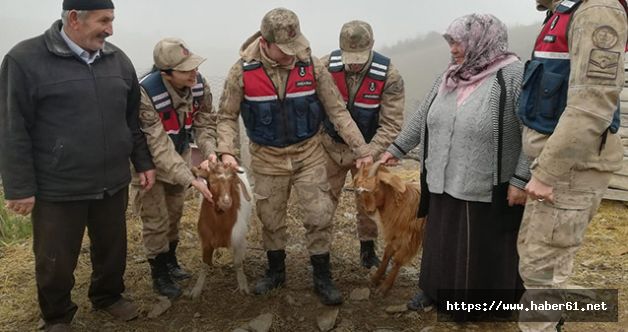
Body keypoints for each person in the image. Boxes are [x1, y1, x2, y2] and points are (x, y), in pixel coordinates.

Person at [0, 0, 156, 330]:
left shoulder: (118, 60)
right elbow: (13, 127)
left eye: (112, 20)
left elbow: (131, 120)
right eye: (104, 21)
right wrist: (19, 187)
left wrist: (143, 163)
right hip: (58, 187)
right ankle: (57, 316)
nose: (111, 29)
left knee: (112, 248)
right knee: (55, 259)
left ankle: (108, 296)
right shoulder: (25, 60)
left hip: (112, 181)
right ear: (74, 18)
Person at [215, 7, 372, 305]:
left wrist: (361, 149)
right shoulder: (242, 71)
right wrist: (227, 151)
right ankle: (275, 271)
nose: (291, 55)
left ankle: (322, 275)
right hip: (266, 158)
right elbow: (225, 116)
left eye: (294, 47)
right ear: (265, 42)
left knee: (319, 214)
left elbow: (337, 110)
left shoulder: (311, 66)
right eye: (284, 50)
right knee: (271, 218)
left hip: (309, 153)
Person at [380, 14, 530, 320]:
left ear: (483, 40)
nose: (453, 48)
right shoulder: (450, 76)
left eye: (458, 41)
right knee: (441, 239)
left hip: (486, 183)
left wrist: (521, 178)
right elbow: (423, 116)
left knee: (479, 245)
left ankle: (480, 308)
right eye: (450, 41)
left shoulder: (513, 76)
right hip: (441, 177)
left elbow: (533, 130)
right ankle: (434, 291)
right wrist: (395, 149)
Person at [517, 0, 627, 330]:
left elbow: (591, 107)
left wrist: (547, 173)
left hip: (570, 170)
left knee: (543, 271)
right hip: (558, 167)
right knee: (539, 262)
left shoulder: (597, 11)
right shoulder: (564, 12)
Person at [132, 38, 216, 299]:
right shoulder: (144, 93)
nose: (194, 73)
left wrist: (210, 151)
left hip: (179, 152)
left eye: (194, 67)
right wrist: (191, 179)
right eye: (185, 70)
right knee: (156, 219)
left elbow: (205, 122)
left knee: (175, 212)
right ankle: (159, 273)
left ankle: (171, 260)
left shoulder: (199, 85)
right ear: (166, 74)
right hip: (149, 165)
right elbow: (157, 144)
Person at [321, 20, 404, 269]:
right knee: (322, 201)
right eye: (349, 56)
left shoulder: (390, 75)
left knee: (368, 202)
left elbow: (391, 123)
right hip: (330, 147)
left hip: (369, 150)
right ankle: (320, 254)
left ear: (372, 47)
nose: (354, 62)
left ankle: (368, 252)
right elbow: (311, 107)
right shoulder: (324, 66)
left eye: (360, 56)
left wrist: (369, 153)